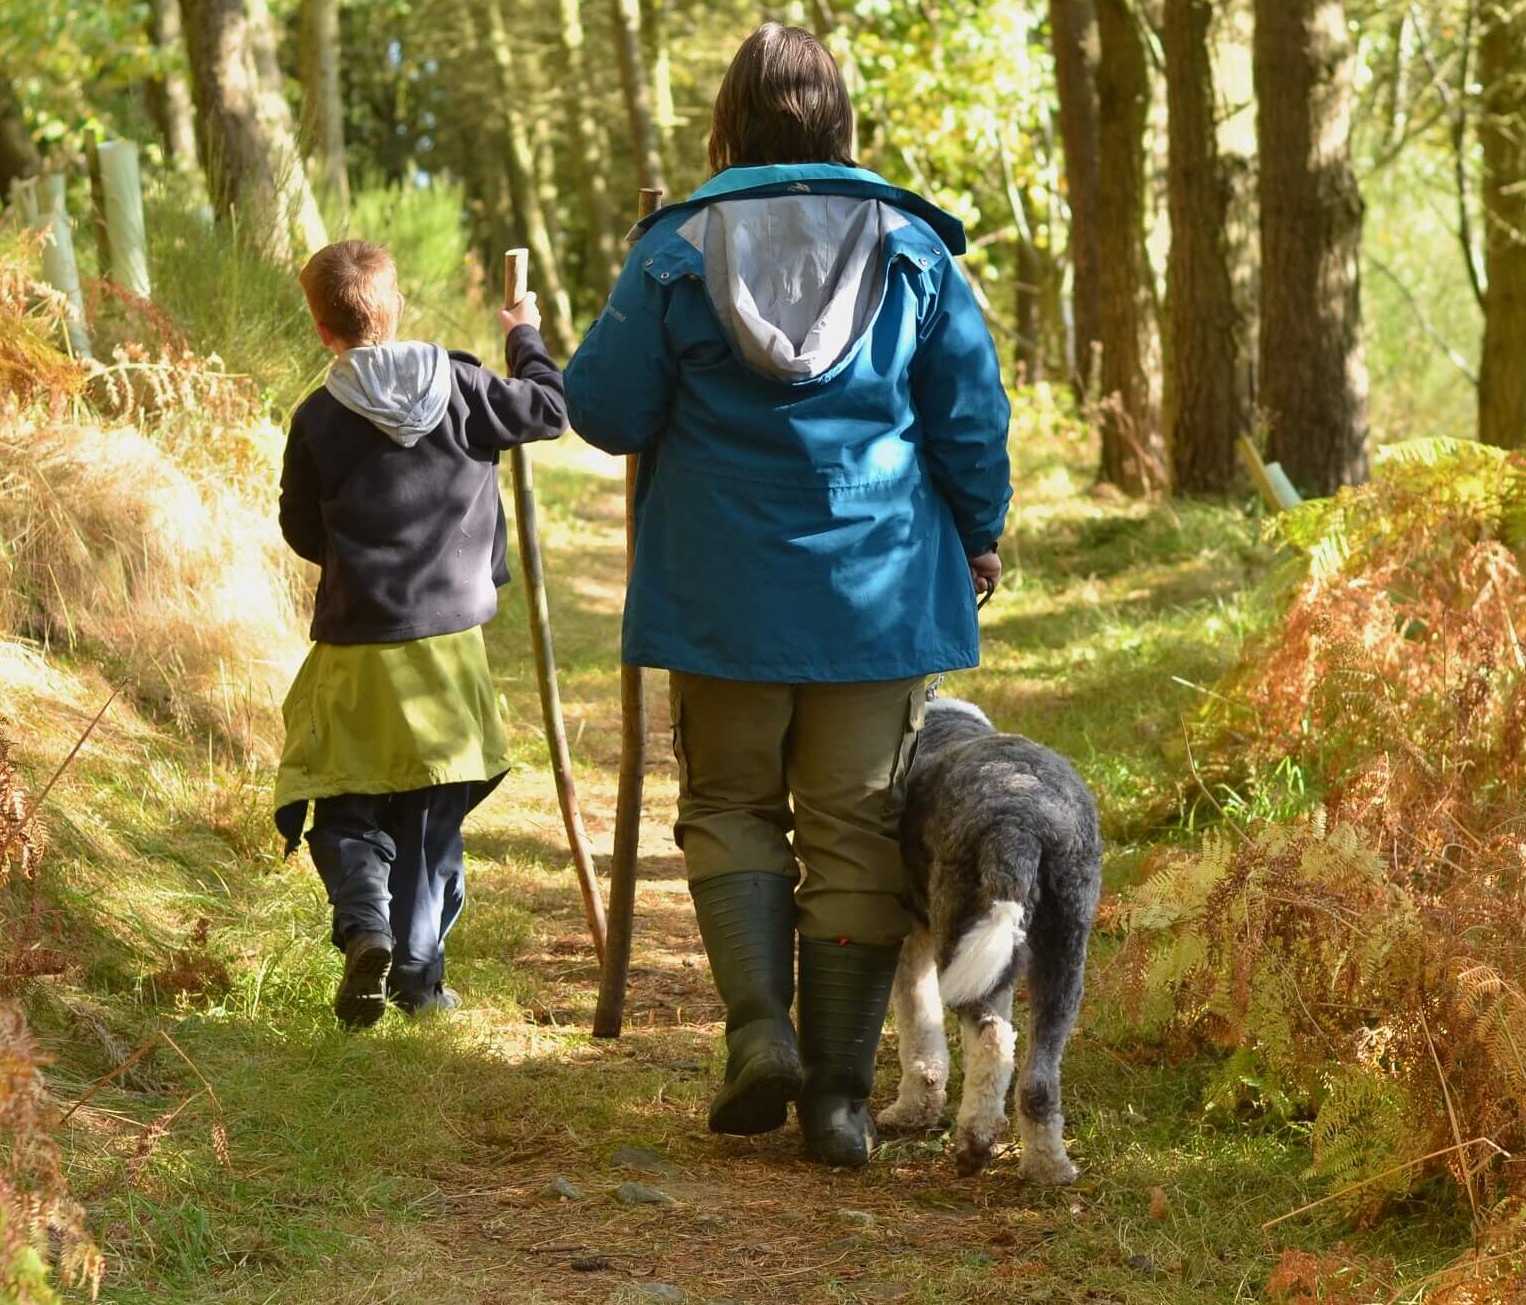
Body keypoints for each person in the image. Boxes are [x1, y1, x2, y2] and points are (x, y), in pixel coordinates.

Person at [564, 23, 1012, 1166]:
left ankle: (759, 1028)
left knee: (731, 808)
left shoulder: (675, 252)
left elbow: (606, 410)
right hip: (874, 593)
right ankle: (837, 1100)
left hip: (721, 593)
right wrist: (982, 534)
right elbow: (968, 416)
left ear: (730, 125)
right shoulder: (914, 248)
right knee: (856, 826)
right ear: (839, 122)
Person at [274, 239, 566, 1028]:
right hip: (448, 650)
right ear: (395, 306)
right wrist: (523, 333)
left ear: (321, 328)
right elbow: (548, 406)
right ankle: (417, 978)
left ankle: (365, 923)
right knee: (431, 816)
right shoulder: (466, 386)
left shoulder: (318, 417)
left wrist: (351, 565)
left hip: (356, 647)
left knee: (341, 802)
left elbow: (299, 524)